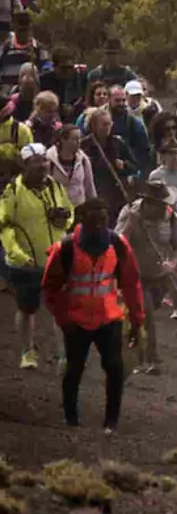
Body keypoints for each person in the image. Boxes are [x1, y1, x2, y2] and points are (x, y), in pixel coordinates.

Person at [43, 197, 143, 432]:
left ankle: (111, 421)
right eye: (94, 220)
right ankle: (70, 418)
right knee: (74, 368)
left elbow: (131, 283)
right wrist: (63, 319)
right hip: (76, 320)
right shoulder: (65, 249)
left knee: (114, 367)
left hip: (108, 317)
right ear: (83, 221)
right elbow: (50, 287)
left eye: (102, 219)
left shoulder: (118, 245)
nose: (99, 225)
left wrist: (137, 321)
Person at [2, 142, 73, 369]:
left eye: (44, 160)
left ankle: (64, 356)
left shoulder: (54, 187)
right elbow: (4, 225)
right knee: (27, 308)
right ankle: (27, 352)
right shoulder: (13, 191)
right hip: (27, 263)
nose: (43, 166)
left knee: (60, 309)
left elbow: (68, 213)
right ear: (25, 165)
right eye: (36, 162)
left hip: (56, 259)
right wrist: (17, 253)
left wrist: (65, 218)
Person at [115, 180, 177, 376]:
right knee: (145, 314)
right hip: (132, 275)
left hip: (158, 277)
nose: (164, 207)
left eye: (165, 203)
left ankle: (129, 347)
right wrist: (132, 224)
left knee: (141, 315)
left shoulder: (171, 217)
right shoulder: (130, 213)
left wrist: (171, 264)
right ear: (148, 202)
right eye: (160, 204)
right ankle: (151, 358)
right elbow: (118, 243)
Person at [80, 108, 138, 224]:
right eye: (103, 124)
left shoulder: (118, 143)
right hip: (96, 195)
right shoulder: (85, 146)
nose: (107, 127)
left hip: (117, 196)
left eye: (109, 124)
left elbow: (135, 165)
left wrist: (124, 165)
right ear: (94, 126)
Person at [0, 12, 50, 92]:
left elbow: (46, 72)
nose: (24, 33)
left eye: (26, 29)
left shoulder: (38, 48)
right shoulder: (5, 48)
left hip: (30, 95)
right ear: (14, 28)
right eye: (21, 30)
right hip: (7, 96)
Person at [107, 85, 152, 174]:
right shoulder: (99, 121)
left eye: (123, 100)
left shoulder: (134, 124)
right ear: (109, 100)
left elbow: (143, 152)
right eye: (117, 100)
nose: (121, 103)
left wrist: (128, 165)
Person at [48, 125, 96, 206]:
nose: (79, 142)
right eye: (74, 139)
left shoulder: (84, 160)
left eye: (79, 138)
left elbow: (89, 187)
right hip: (58, 210)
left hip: (79, 209)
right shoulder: (49, 160)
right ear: (63, 140)